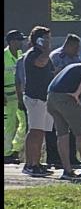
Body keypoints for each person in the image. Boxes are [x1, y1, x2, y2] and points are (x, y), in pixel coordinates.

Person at [21, 26, 55, 177]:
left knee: (41, 132)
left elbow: (52, 70)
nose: (49, 41)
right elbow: (39, 63)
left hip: (45, 98)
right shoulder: (33, 54)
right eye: (46, 38)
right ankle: (29, 164)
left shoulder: (46, 56)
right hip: (34, 98)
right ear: (39, 39)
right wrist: (46, 49)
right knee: (34, 131)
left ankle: (37, 162)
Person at [46, 34, 81, 167]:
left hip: (71, 97)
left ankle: (71, 158)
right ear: (69, 45)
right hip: (57, 96)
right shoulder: (56, 56)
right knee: (54, 129)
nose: (78, 50)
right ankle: (54, 158)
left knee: (72, 128)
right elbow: (51, 75)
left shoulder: (76, 58)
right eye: (76, 47)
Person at [4, 30, 28, 164]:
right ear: (12, 42)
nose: (21, 43)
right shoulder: (4, 56)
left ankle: (15, 149)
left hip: (19, 95)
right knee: (9, 125)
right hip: (6, 97)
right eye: (19, 40)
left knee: (24, 124)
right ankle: (6, 154)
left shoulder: (21, 55)